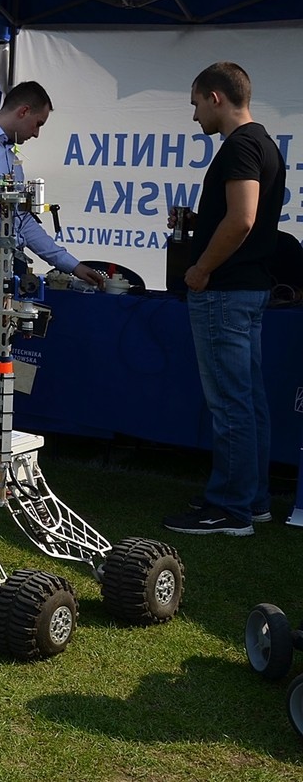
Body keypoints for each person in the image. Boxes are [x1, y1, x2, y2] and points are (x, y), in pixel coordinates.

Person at [162, 61, 284, 537]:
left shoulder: (240, 146)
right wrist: (201, 223)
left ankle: (230, 508)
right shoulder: (263, 143)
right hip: (246, 288)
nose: (195, 116)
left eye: (196, 104)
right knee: (248, 400)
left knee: (231, 403)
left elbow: (243, 219)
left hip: (225, 291)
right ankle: (252, 500)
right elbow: (242, 217)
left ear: (216, 97)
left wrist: (201, 268)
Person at [0, 81, 105, 296]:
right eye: (38, 124)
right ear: (23, 111)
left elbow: (22, 220)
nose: (36, 133)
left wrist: (71, 265)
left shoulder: (10, 156)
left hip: (9, 262)